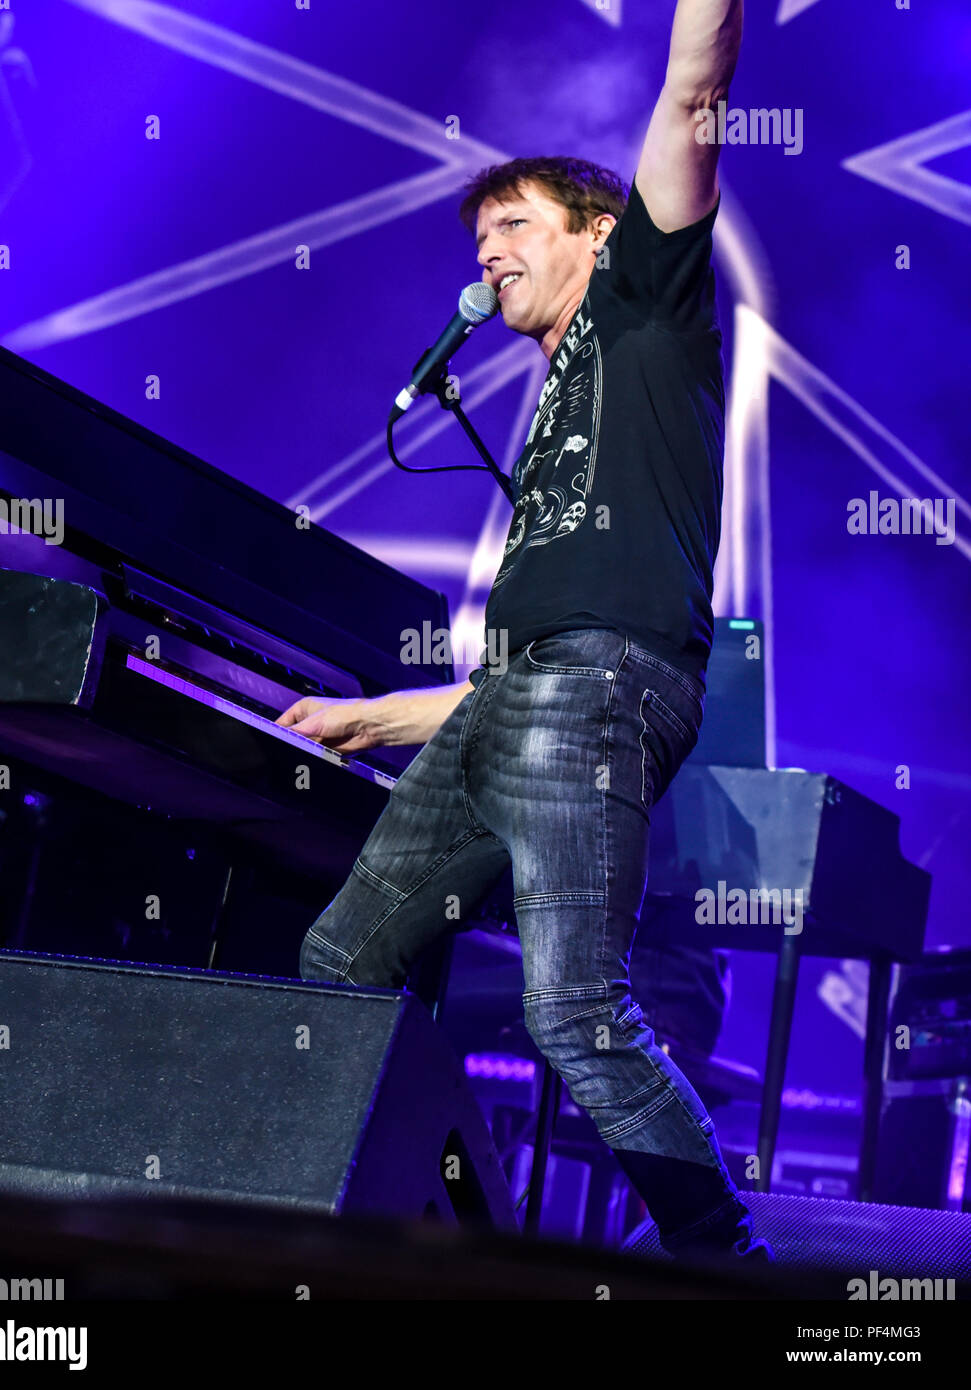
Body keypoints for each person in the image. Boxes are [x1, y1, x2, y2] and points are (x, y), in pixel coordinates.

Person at [280, 0, 772, 1263]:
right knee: (342, 956)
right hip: (543, 693)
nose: (487, 249)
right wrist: (370, 714)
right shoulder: (561, 404)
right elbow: (528, 673)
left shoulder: (646, 303)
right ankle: (430, 1230)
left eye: (514, 225)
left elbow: (691, 84)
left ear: (601, 236)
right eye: (479, 232)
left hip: (597, 691)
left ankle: (725, 1259)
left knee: (573, 1008)